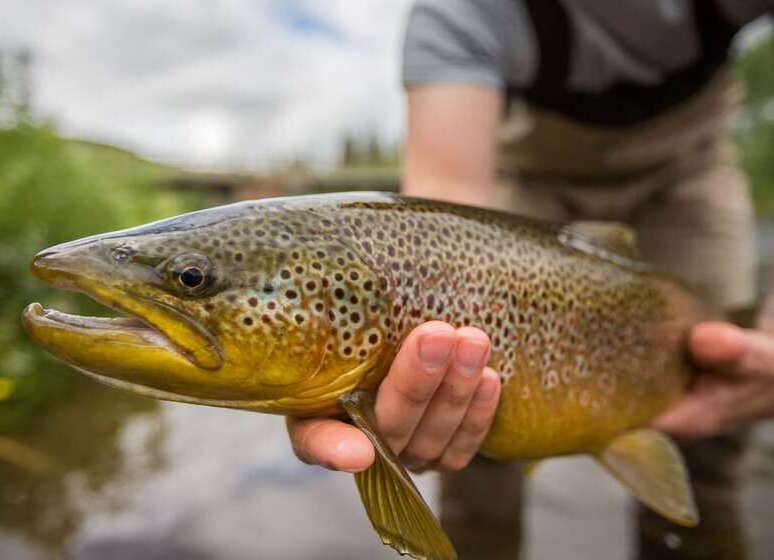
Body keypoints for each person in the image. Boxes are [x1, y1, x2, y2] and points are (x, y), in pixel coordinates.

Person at [289, 1, 774, 558]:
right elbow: (429, 244)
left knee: (717, 415)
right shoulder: (460, 13)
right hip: (527, 175)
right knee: (465, 410)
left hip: (692, 170)